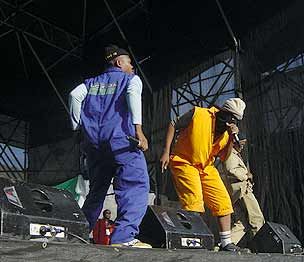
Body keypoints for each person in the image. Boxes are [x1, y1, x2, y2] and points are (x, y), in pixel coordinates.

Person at [68, 44, 151, 248]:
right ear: (119, 62)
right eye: (130, 63)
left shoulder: (90, 83)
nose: (132, 67)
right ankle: (123, 238)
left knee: (96, 191)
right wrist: (138, 130)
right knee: (135, 185)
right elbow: (133, 97)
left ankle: (77, 235)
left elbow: (73, 96)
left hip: (94, 144)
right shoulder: (130, 79)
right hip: (121, 140)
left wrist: (77, 127)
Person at [160, 98, 249, 253]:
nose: (234, 122)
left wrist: (230, 141)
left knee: (223, 202)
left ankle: (226, 243)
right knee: (194, 201)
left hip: (206, 166)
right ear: (225, 113)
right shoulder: (199, 113)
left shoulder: (227, 134)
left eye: (236, 120)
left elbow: (225, 157)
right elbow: (174, 123)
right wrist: (166, 152)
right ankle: (191, 239)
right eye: (232, 117)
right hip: (185, 161)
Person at [223, 134, 264, 246]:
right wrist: (247, 175)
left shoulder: (235, 154)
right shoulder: (230, 154)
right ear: (235, 142)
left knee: (242, 223)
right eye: (241, 143)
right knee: (257, 218)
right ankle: (261, 246)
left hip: (239, 192)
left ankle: (226, 244)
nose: (242, 146)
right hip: (242, 191)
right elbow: (231, 169)